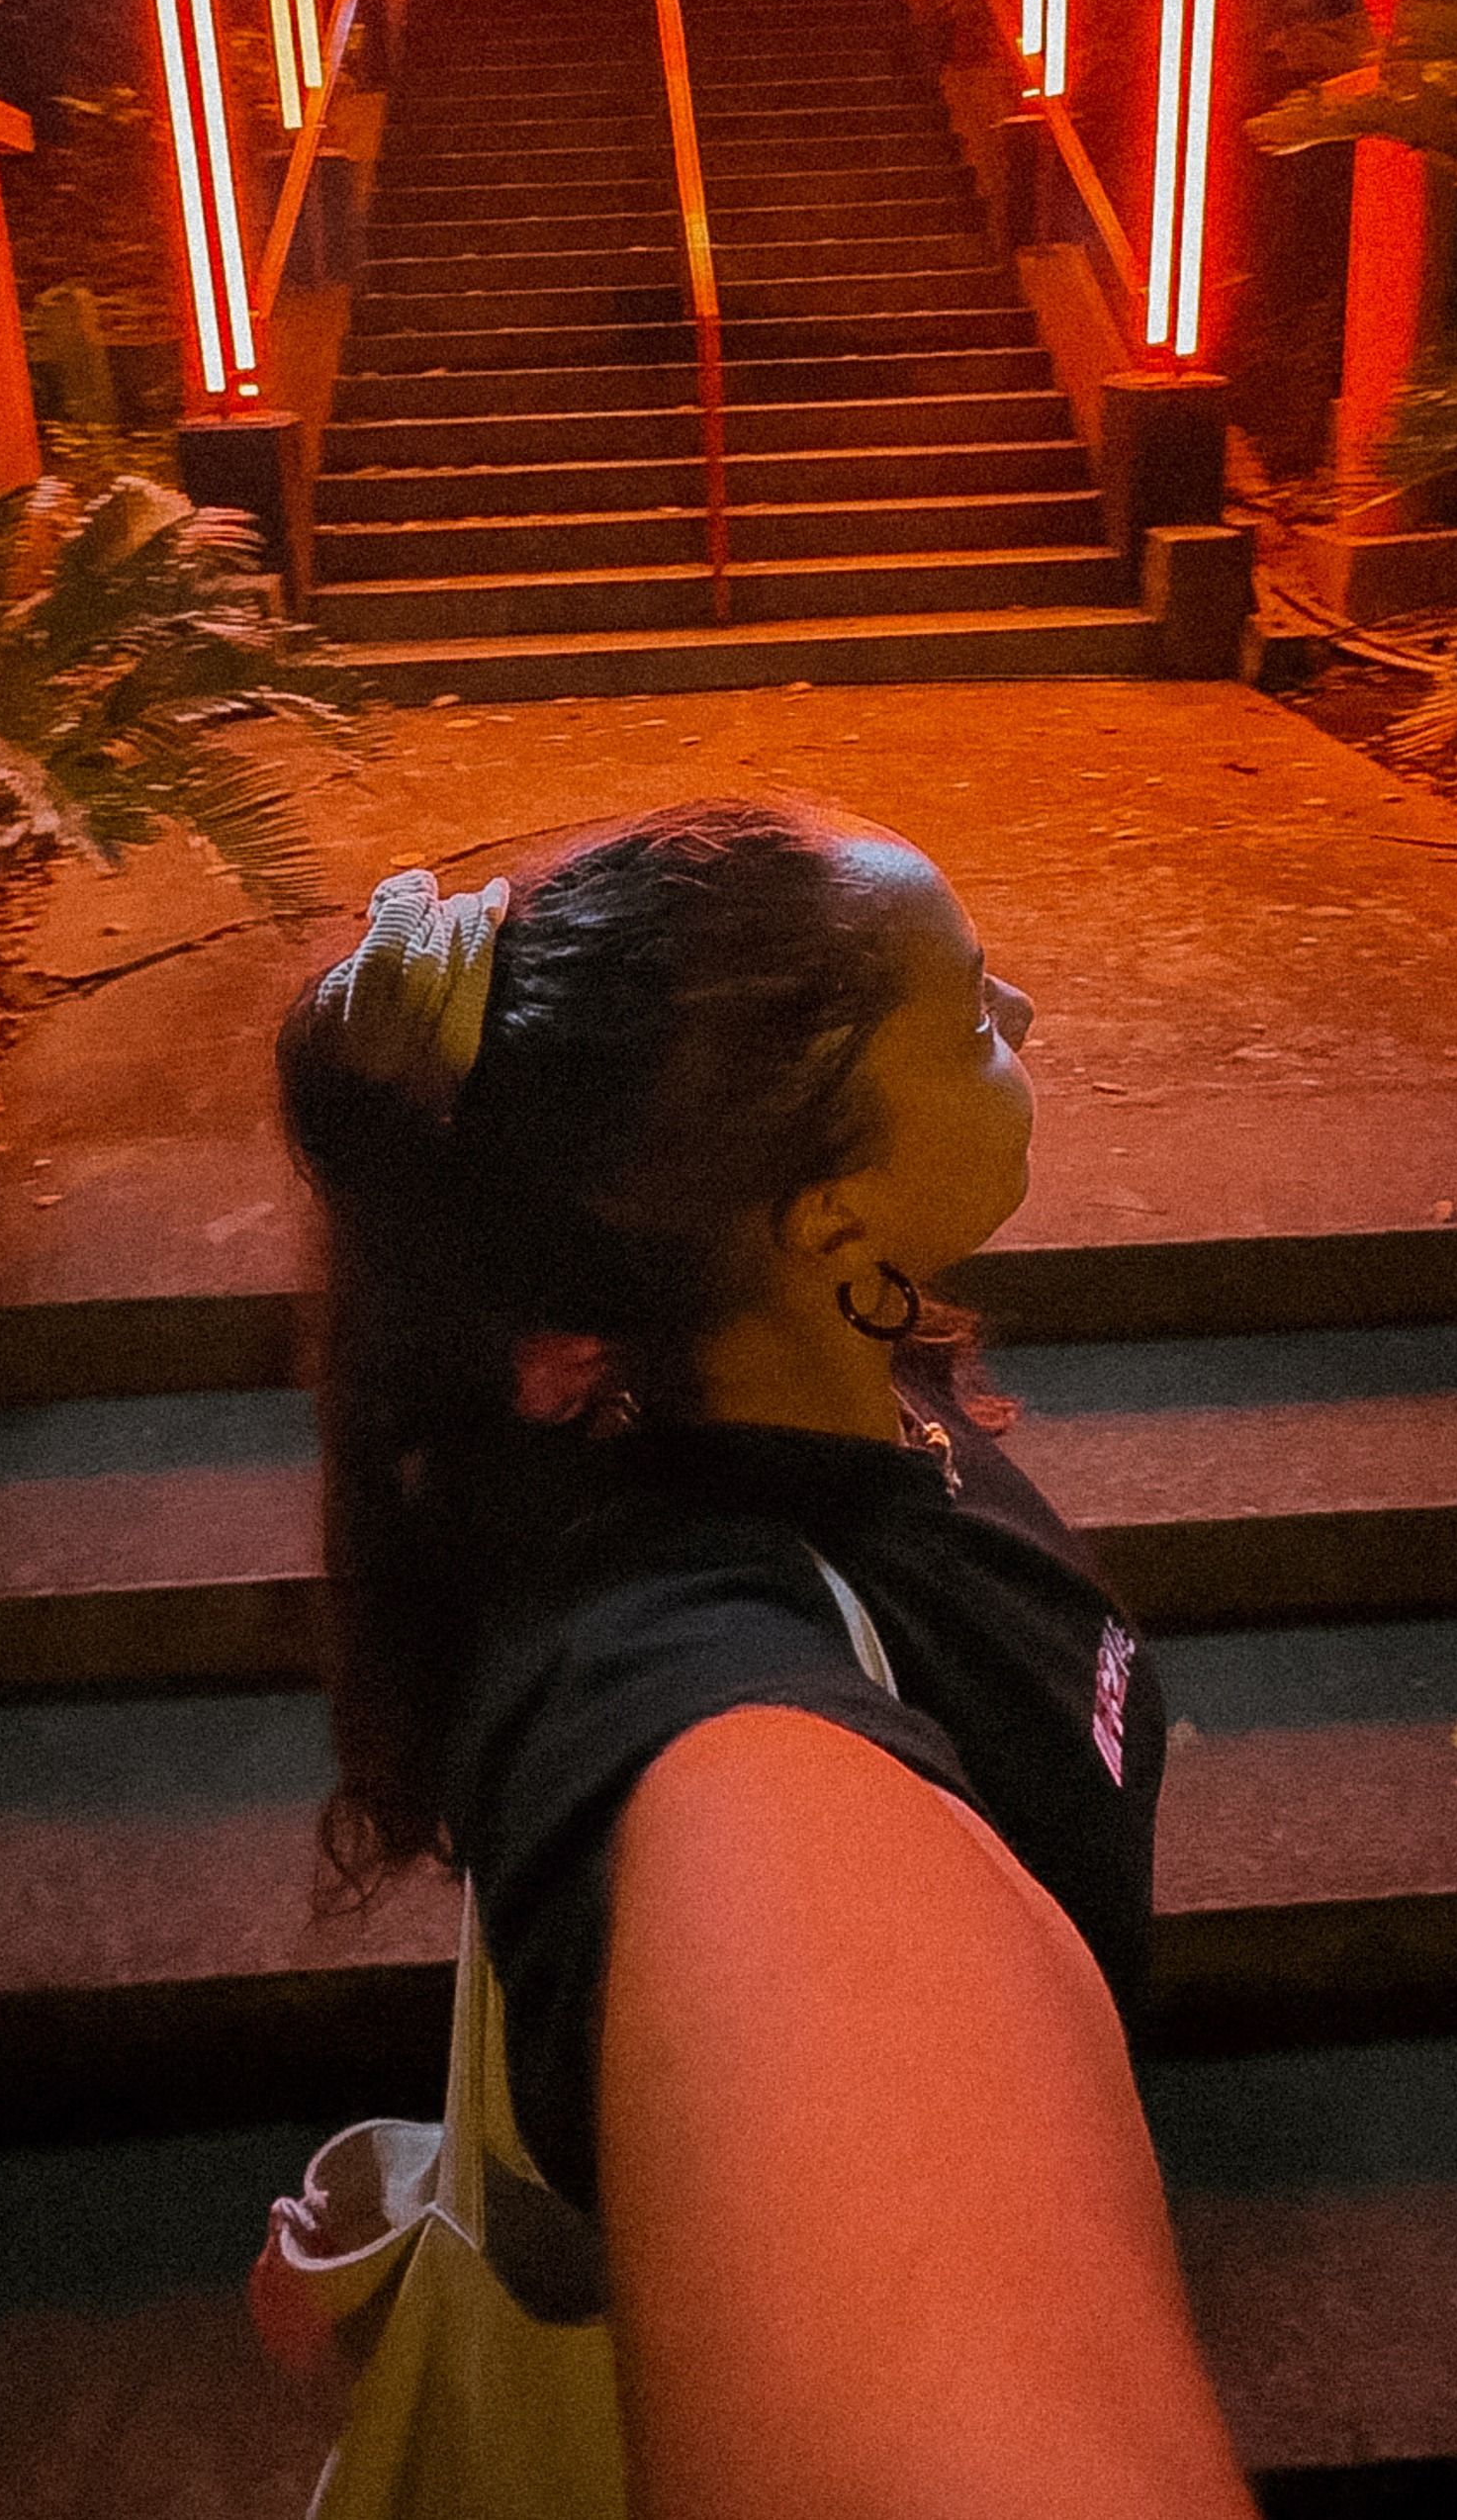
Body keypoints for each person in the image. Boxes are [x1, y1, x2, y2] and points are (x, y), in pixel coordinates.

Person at [279, 800, 1254, 2520]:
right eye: (964, 1015)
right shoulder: (691, 1675)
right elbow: (775, 1901)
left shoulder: (828, 1364)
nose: (1024, 1015)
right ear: (817, 1214)